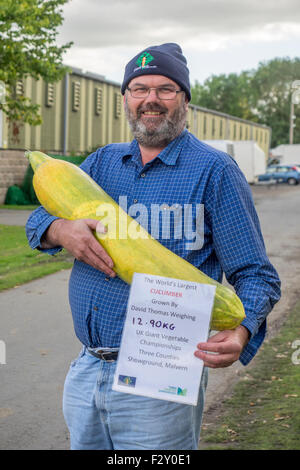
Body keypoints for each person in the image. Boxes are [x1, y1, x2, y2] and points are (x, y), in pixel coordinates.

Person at [26, 43, 281, 450]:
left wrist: (243, 330)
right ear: (126, 98)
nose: (151, 100)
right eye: (140, 88)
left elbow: (256, 275)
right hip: (88, 367)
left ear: (184, 99)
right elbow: (37, 219)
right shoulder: (100, 163)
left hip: (161, 372)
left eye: (165, 89)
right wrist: (60, 229)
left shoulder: (215, 172)